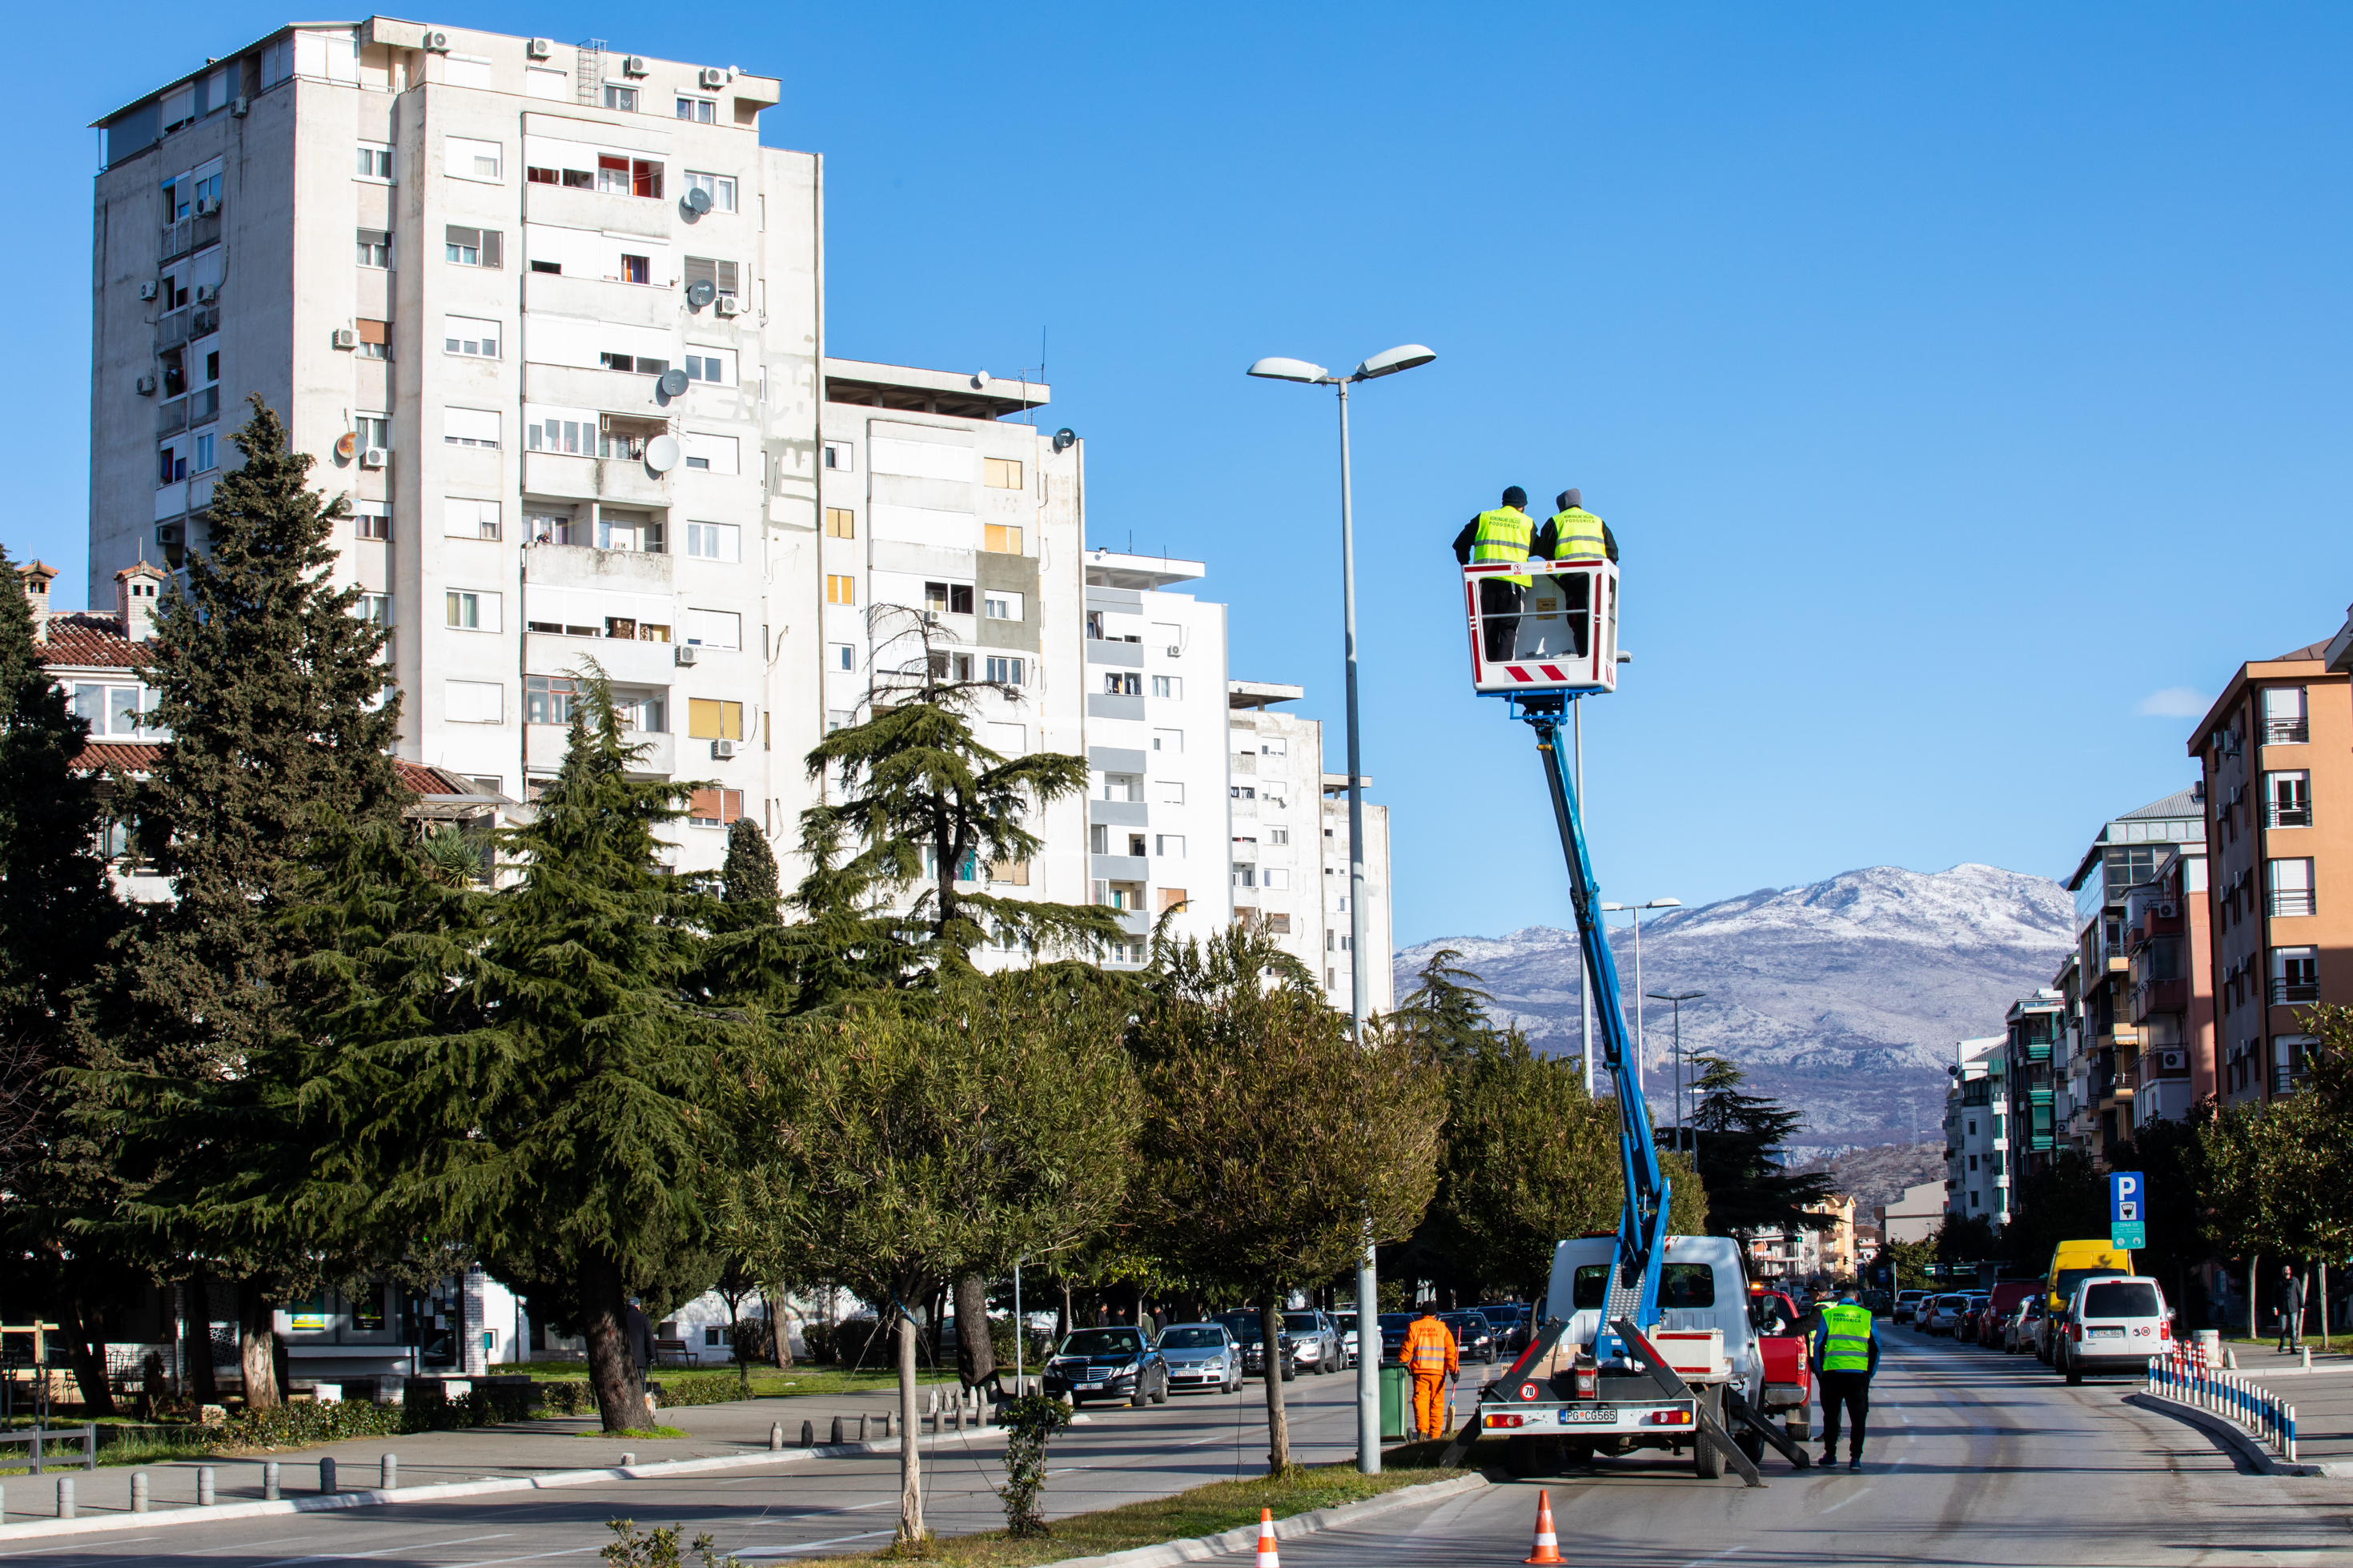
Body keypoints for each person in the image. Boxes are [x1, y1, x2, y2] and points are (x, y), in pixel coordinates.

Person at [1452, 487, 1546, 661]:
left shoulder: (1484, 518)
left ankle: (1490, 669)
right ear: (1522, 506)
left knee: (1487, 630)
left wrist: (1467, 568)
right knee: (1508, 630)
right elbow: (1539, 549)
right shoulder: (1526, 523)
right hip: (1513, 584)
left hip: (1484, 583)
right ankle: (1503, 668)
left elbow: (1459, 544)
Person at [1812, 1284, 1878, 1471]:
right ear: (1856, 1298)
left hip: (1832, 1374)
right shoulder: (1867, 1317)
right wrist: (1869, 1373)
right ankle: (1855, 1459)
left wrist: (1820, 1370)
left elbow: (1818, 1345)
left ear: (1840, 1297)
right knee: (1858, 1418)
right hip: (1858, 1376)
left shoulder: (1829, 1315)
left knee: (1831, 1417)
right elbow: (1876, 1347)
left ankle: (1831, 1456)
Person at [1400, 1304, 1459, 1442]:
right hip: (1438, 1372)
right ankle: (1435, 1433)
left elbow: (1406, 1350)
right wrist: (1454, 1370)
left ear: (1422, 1313)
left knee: (1421, 1401)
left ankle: (1422, 1429)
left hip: (1420, 1371)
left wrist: (1401, 1366)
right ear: (1435, 1314)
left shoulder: (1414, 1327)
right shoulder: (1442, 1329)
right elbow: (1451, 1352)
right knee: (1436, 1402)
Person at [1545, 489, 1618, 563]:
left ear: (1562, 503)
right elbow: (1612, 552)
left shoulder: (1556, 520)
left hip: (1568, 568)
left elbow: (1544, 549)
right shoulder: (1598, 521)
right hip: (1597, 569)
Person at [2278, 1265, 2306, 1352]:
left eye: (2287, 1270)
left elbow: (2299, 1293)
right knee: (2283, 1328)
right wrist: (2274, 1307)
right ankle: (2282, 1342)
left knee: (2293, 1327)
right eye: (2284, 1270)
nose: (2286, 1271)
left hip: (2293, 1307)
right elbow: (2274, 1295)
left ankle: (2293, 1347)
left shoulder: (2295, 1280)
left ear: (2290, 1271)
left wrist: (2302, 1306)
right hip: (2283, 1308)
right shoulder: (2279, 1281)